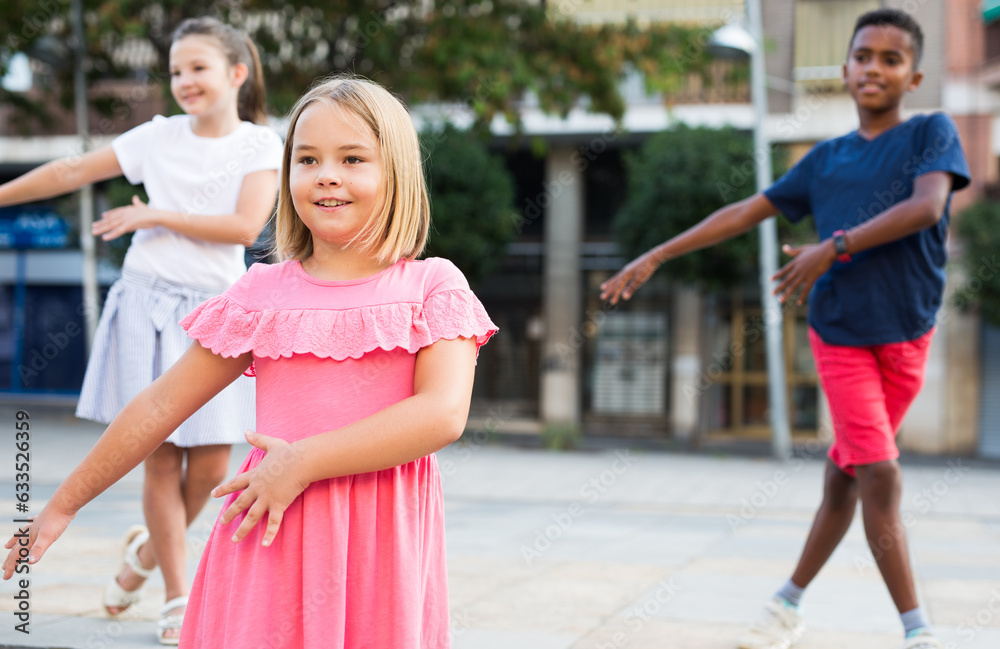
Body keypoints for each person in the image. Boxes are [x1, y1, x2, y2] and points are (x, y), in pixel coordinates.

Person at [3, 75, 498, 649]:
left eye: (353, 157)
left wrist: (303, 461)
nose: (326, 174)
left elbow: (441, 415)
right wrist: (63, 505)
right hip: (268, 543)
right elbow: (162, 403)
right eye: (307, 158)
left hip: (379, 554)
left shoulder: (434, 285)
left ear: (399, 173)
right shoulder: (259, 293)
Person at [600, 9, 968, 649]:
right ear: (846, 68)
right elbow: (746, 210)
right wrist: (658, 253)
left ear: (914, 76)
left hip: (909, 333)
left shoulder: (932, 133)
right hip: (841, 334)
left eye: (890, 58)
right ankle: (918, 632)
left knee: (845, 476)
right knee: (880, 473)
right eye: (863, 56)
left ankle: (784, 604)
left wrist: (836, 245)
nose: (874, 68)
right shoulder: (824, 161)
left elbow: (928, 206)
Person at [0, 16, 282, 644]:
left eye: (198, 68)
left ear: (236, 74)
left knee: (210, 470)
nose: (184, 81)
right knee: (160, 462)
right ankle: (178, 598)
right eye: (177, 70)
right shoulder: (156, 137)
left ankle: (145, 557)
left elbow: (243, 229)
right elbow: (71, 171)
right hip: (147, 306)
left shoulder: (261, 145)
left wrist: (153, 213)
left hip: (216, 314)